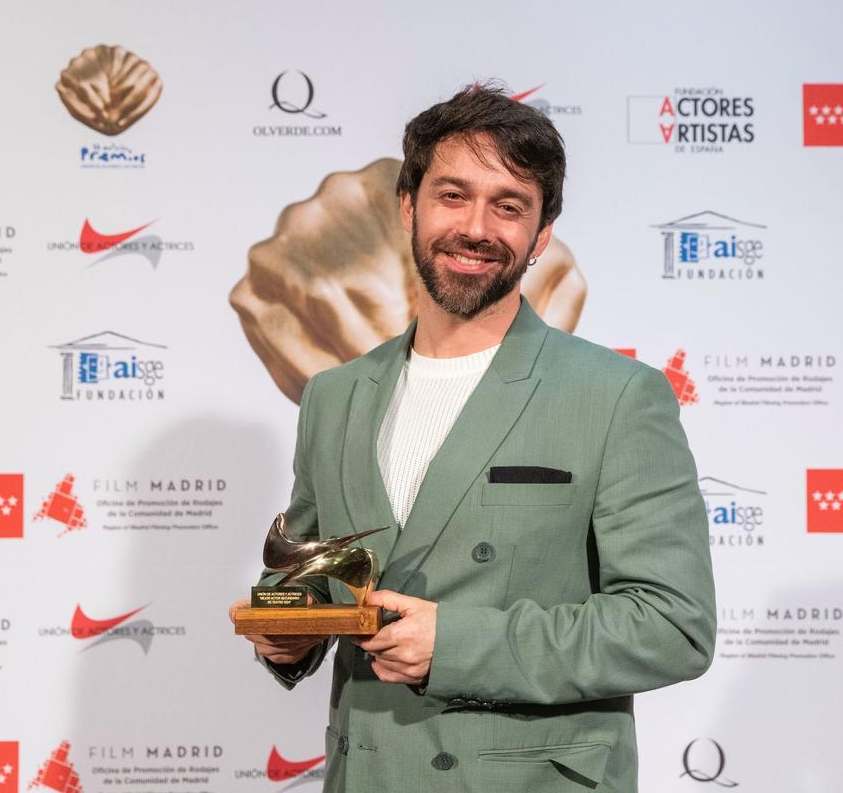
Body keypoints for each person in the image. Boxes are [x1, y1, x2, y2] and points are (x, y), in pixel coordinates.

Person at [230, 84, 716, 793]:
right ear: (409, 206)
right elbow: (314, 573)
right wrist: (285, 633)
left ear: (541, 235)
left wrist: (459, 646)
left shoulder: (616, 395)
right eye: (452, 196)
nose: (476, 228)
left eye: (508, 206)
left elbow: (673, 626)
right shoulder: (334, 397)